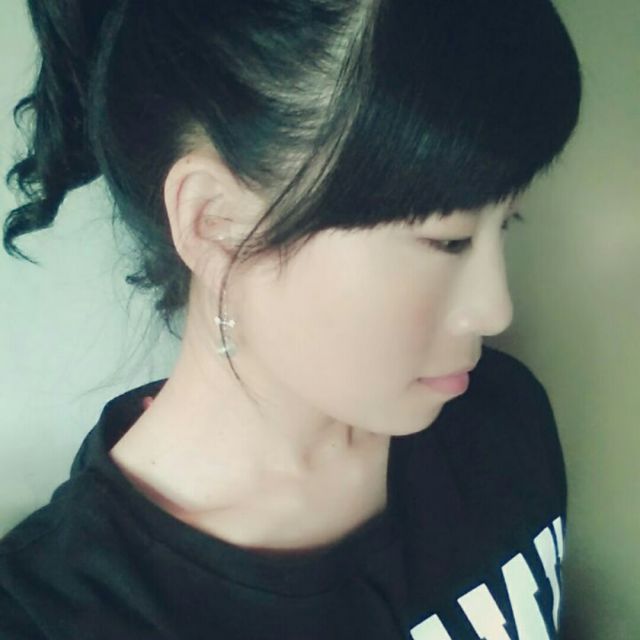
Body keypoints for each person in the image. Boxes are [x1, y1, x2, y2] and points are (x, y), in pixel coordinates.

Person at [0, 0, 581, 638]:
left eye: (508, 221)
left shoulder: (503, 418)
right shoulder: (51, 616)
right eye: (448, 240)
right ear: (215, 223)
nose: (495, 310)